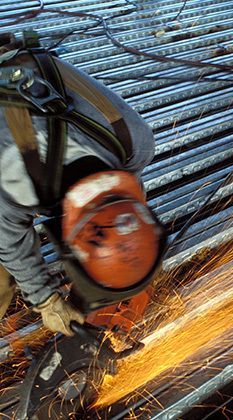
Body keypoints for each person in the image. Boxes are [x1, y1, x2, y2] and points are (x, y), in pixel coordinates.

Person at [0, 34, 164, 336]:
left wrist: (128, 267)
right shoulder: (18, 182)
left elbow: (127, 208)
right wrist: (46, 300)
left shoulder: (136, 144)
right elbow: (9, 241)